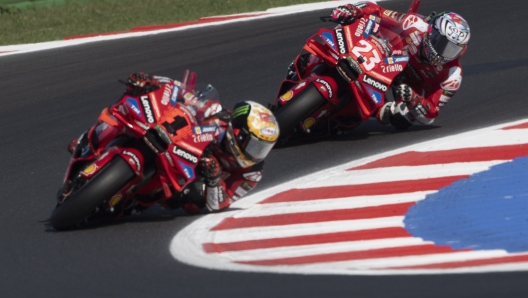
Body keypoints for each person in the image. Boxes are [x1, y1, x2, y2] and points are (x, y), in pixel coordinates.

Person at [69, 72, 280, 214]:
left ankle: (133, 193)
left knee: (192, 195)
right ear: (238, 132)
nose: (257, 154)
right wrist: (151, 83)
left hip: (187, 186)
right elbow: (184, 92)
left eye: (263, 148)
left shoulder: (252, 173)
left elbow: (220, 204)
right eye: (255, 145)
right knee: (131, 111)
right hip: (171, 142)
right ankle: (88, 138)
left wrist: (214, 179)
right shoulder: (218, 117)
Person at [330, 2, 470, 130]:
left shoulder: (453, 75)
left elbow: (430, 115)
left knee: (401, 117)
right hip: (384, 54)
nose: (443, 53)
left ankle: (357, 112)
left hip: (405, 88)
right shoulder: (413, 24)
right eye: (441, 43)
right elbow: (378, 11)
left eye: (452, 49)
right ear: (431, 32)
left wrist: (414, 99)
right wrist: (352, 10)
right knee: (351, 23)